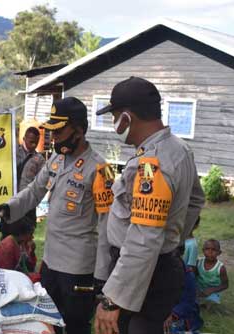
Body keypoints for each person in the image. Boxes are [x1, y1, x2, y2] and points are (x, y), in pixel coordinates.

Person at [0, 97, 115, 334]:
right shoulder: (56, 159)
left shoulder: (99, 170)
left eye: (59, 130)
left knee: (75, 326)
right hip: (51, 262)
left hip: (79, 267)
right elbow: (33, 192)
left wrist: (102, 278)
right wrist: (6, 208)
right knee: (48, 322)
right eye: (51, 130)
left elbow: (106, 228)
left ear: (79, 130)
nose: (54, 137)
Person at [93, 77, 205, 334]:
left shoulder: (152, 163)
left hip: (144, 274)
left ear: (127, 118)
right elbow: (196, 200)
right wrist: (171, 236)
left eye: (114, 116)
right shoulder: (179, 148)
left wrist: (112, 301)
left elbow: (143, 239)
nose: (114, 124)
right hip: (161, 265)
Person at [0, 126, 45, 240]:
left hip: (27, 203)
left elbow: (42, 181)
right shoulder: (12, 153)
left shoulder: (39, 159)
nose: (34, 145)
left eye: (36, 142)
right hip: (10, 200)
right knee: (7, 235)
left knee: (26, 235)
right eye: (31, 142)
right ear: (24, 138)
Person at [164, 217, 203, 332]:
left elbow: (188, 301)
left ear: (179, 254)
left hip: (180, 314)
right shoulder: (160, 270)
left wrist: (174, 315)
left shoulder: (187, 274)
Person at [195, 239, 228, 306]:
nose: (210, 252)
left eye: (214, 250)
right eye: (207, 249)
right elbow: (194, 276)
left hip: (212, 292)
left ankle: (205, 303)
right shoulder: (198, 262)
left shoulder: (220, 268)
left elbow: (225, 285)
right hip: (199, 289)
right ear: (203, 250)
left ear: (219, 252)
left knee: (211, 301)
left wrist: (212, 290)